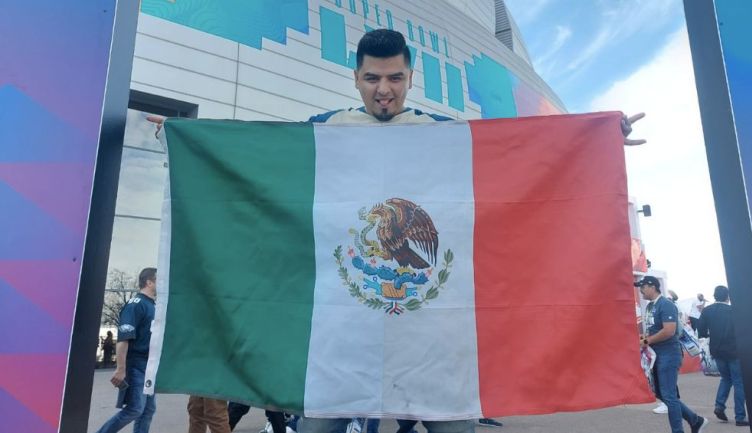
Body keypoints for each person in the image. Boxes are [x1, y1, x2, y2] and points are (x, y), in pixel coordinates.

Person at [148, 27, 644, 433]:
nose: (383, 89)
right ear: (355, 78)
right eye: (371, 78)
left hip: (430, 340)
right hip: (341, 339)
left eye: (394, 78)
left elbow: (529, 154)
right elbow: (258, 159)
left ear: (410, 77)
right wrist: (182, 137)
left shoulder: (442, 134)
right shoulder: (326, 129)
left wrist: (602, 137)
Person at [637, 276, 708, 433]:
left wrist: (646, 341)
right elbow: (651, 330)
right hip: (655, 355)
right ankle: (695, 421)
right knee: (661, 394)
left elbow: (669, 331)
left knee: (668, 395)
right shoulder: (650, 307)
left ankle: (679, 430)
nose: (640, 290)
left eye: (642, 286)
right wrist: (643, 339)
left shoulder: (666, 304)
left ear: (652, 287)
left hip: (669, 354)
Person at [94, 268, 158, 433]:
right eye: (159, 280)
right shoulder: (136, 305)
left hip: (149, 366)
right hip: (136, 363)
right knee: (135, 408)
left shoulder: (153, 305)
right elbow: (123, 338)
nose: (162, 284)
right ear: (149, 282)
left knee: (148, 410)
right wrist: (121, 368)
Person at [697, 286, 749, 426]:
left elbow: (701, 331)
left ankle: (719, 405)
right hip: (734, 350)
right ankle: (740, 417)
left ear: (714, 296)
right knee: (739, 382)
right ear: (728, 296)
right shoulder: (733, 310)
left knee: (725, 379)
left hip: (717, 351)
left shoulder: (707, 311)